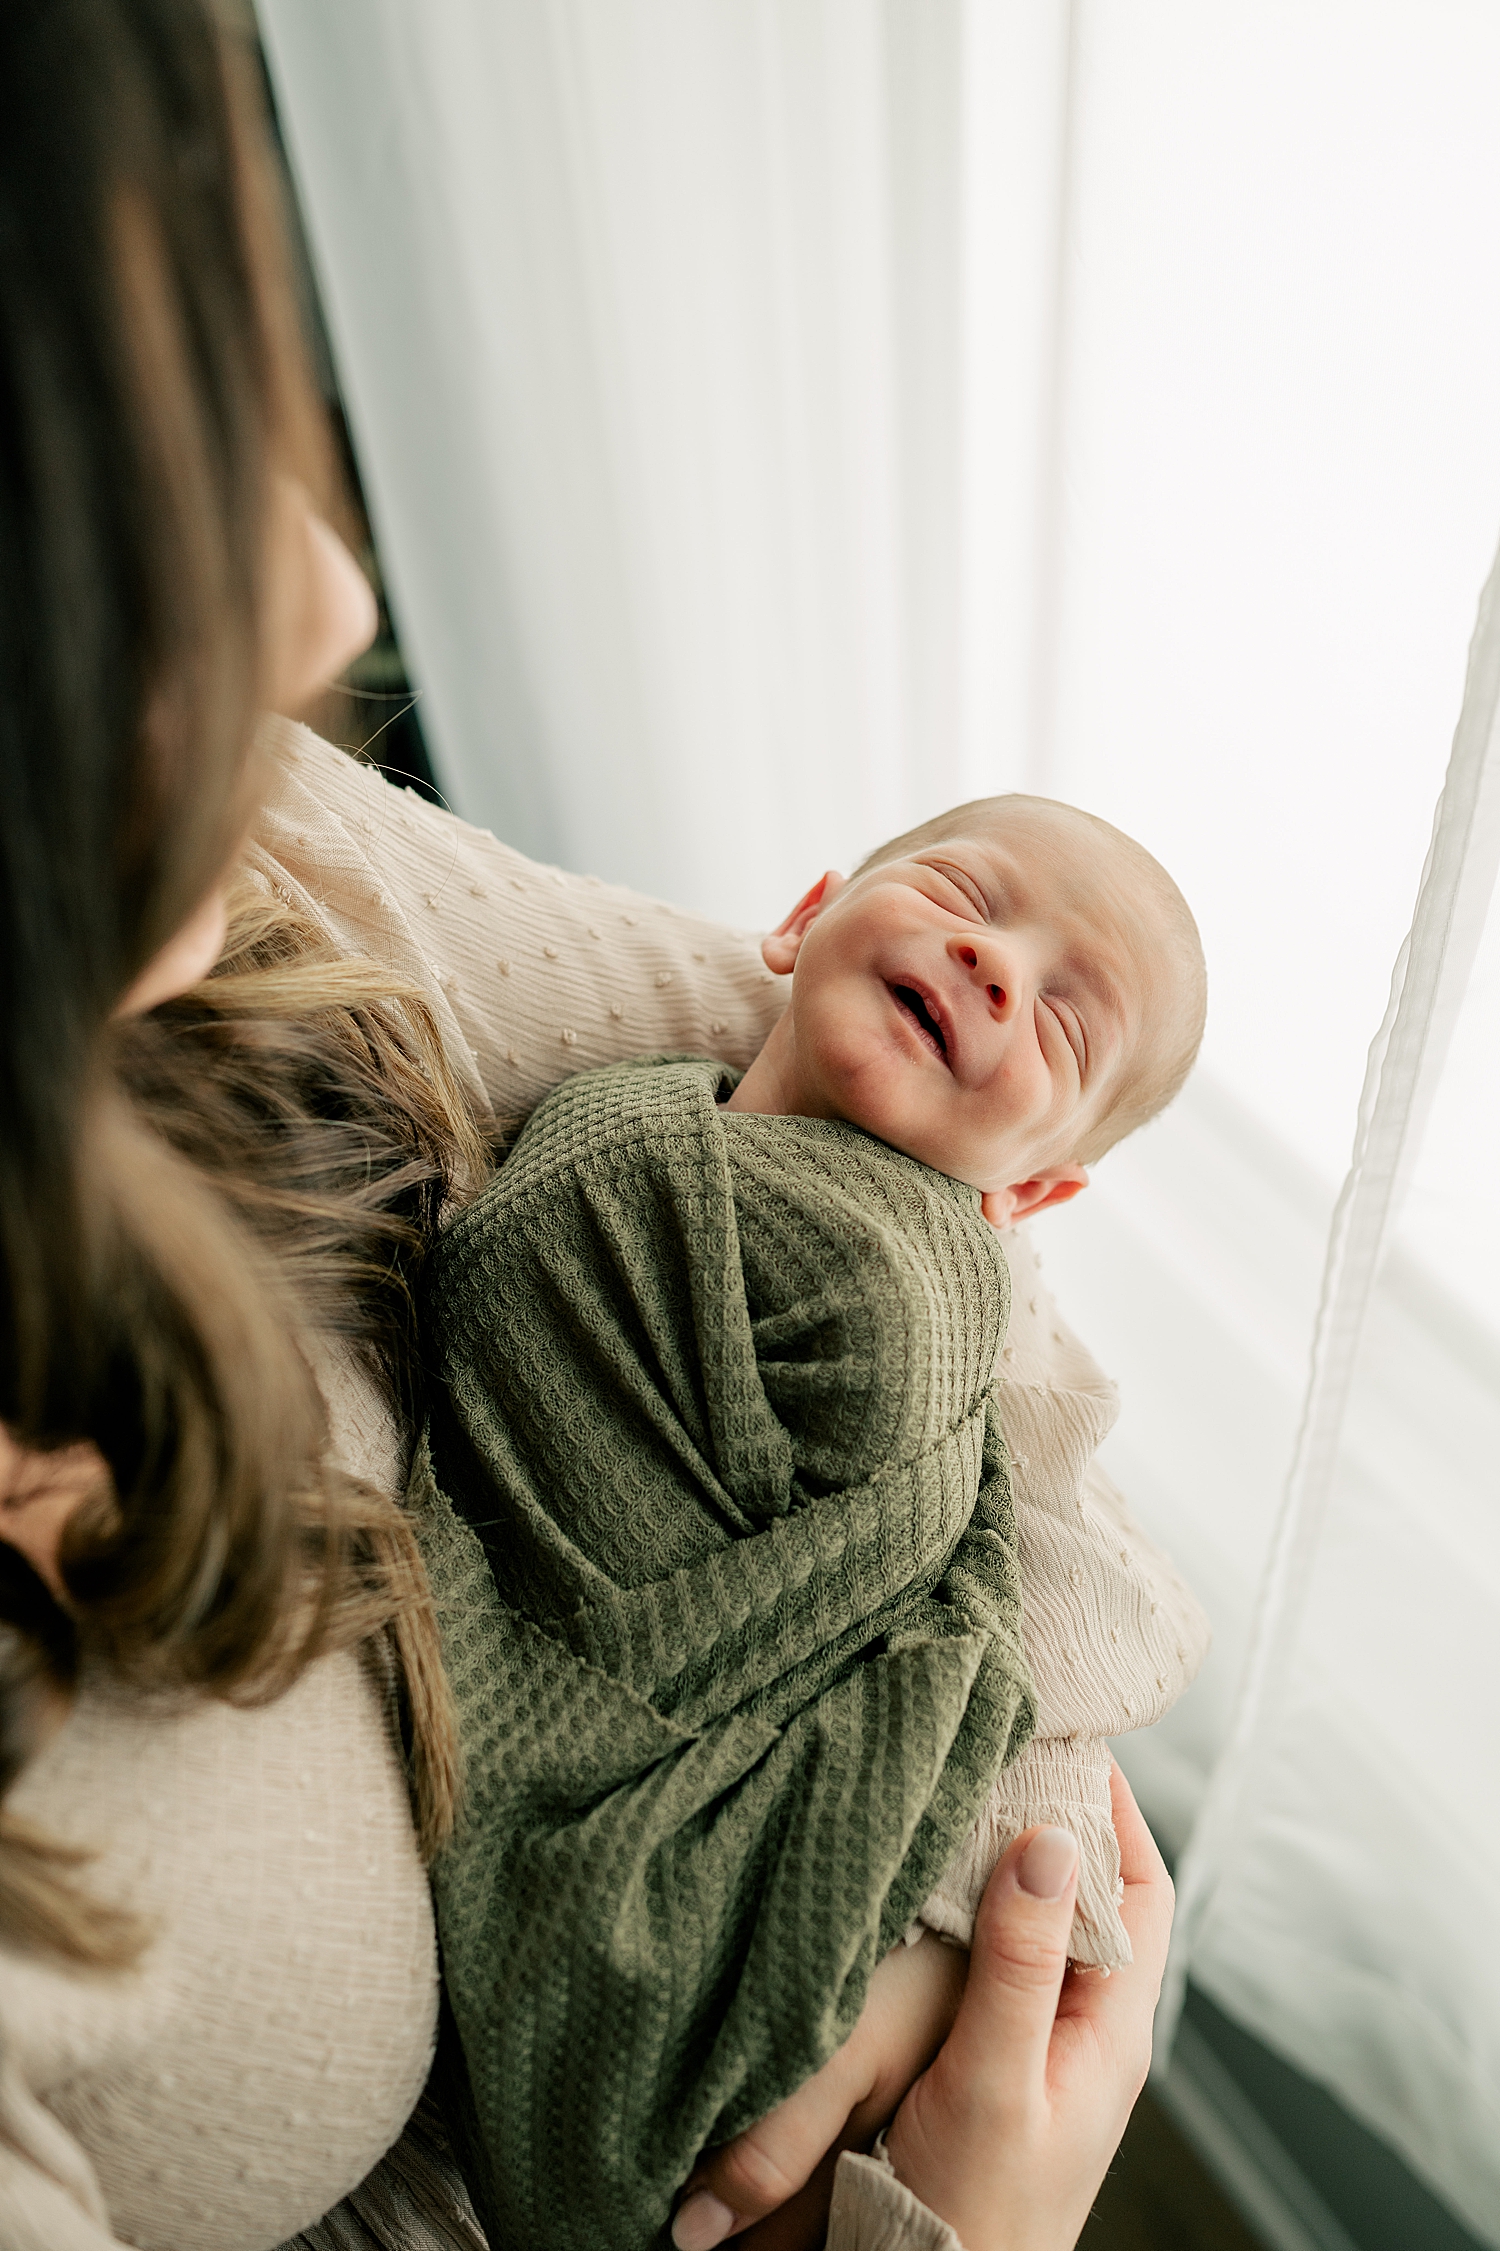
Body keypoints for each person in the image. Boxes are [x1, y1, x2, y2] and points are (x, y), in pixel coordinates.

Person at [0, 4, 1175, 2249]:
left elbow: (1026, 1443)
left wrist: (955, 1899)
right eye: (140, 461)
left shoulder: (253, 876)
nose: (328, 602)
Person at [411, 798, 1207, 2250]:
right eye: (970, 893)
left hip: (708, 1814)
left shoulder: (903, 1290)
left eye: (1063, 1024)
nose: (992, 964)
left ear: (1023, 1192)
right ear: (803, 919)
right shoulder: (638, 1093)